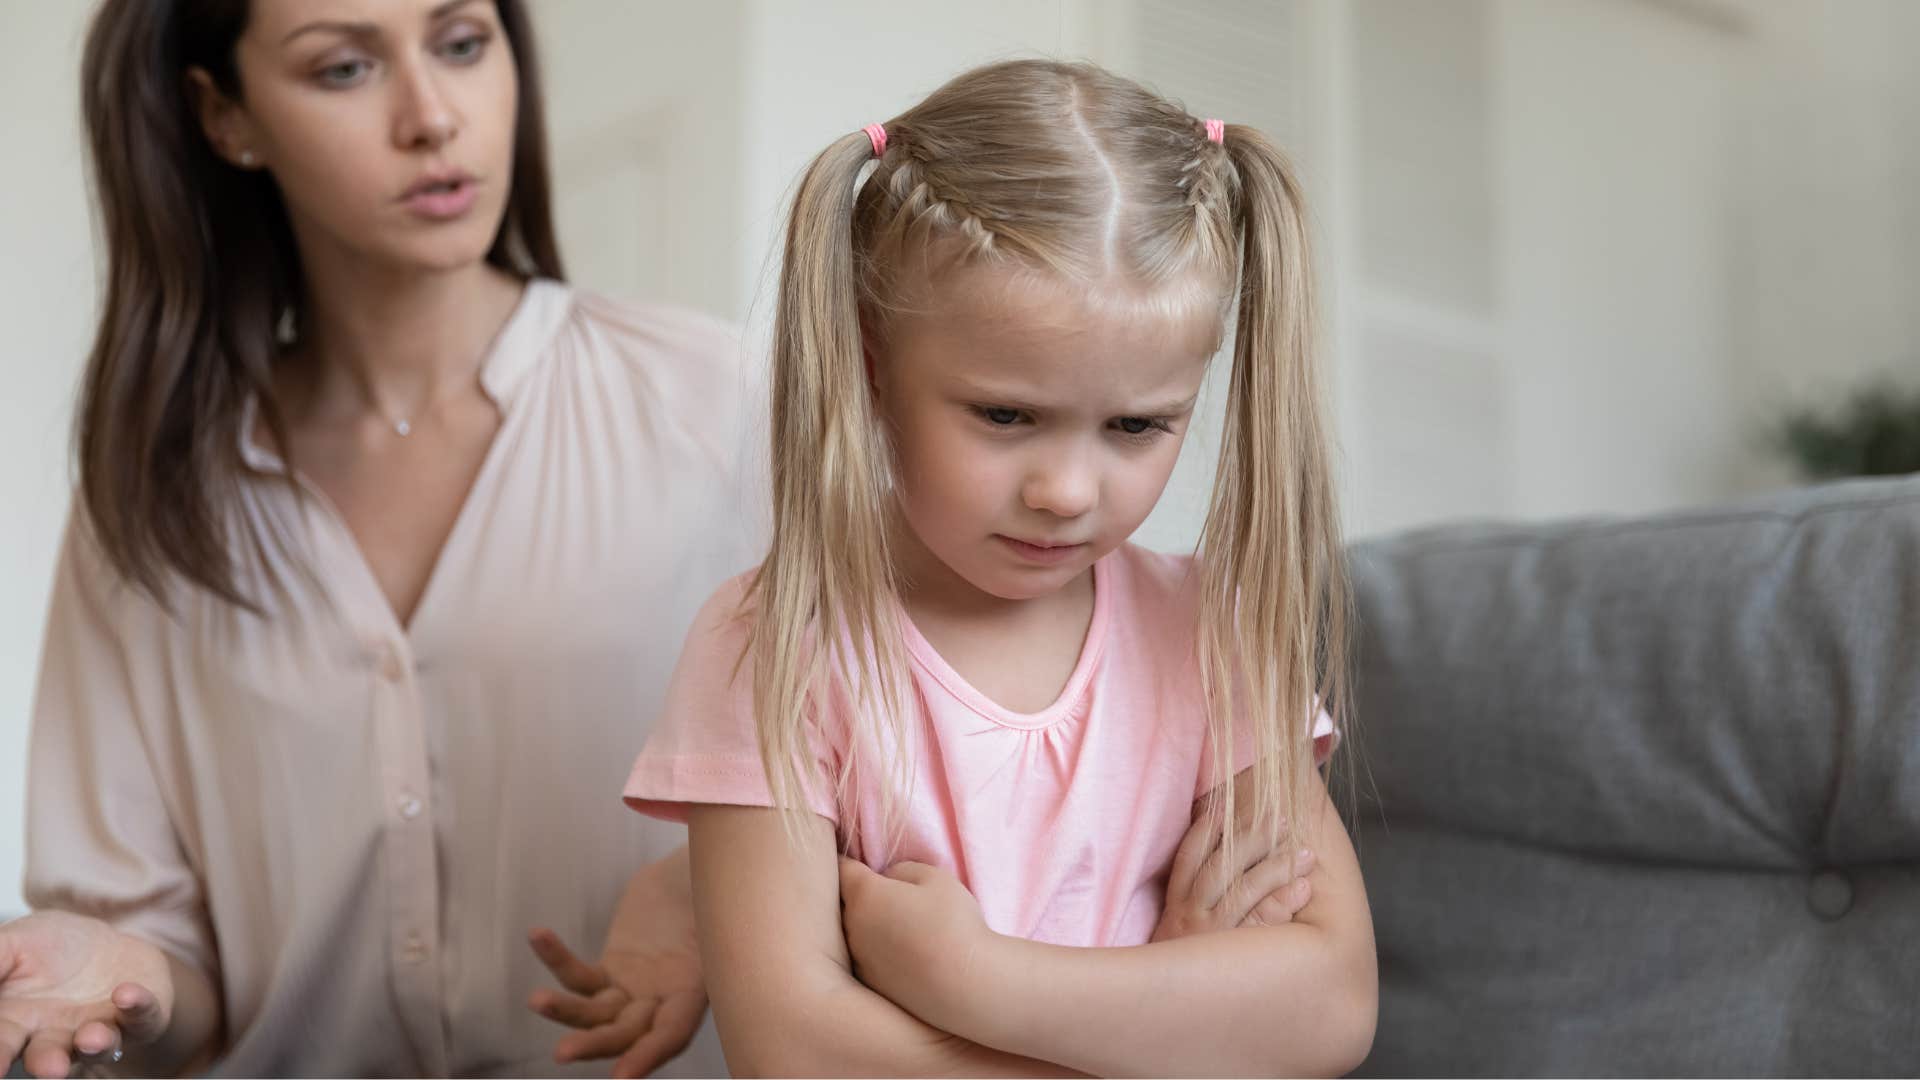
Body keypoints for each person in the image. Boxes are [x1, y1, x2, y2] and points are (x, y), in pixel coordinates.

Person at [0, 0, 754, 1075]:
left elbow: (912, 795)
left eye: (461, 43)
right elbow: (167, 968)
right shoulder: (152, 501)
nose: (432, 115)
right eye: (345, 68)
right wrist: (115, 973)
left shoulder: (732, 405)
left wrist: (705, 888)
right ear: (226, 118)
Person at [623, 59, 1378, 1076]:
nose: (1067, 490)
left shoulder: (1211, 635)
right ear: (874, 367)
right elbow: (797, 1055)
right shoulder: (775, 641)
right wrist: (1175, 1017)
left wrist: (978, 980)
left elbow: (1328, 1008)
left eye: (1138, 425)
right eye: (1006, 415)